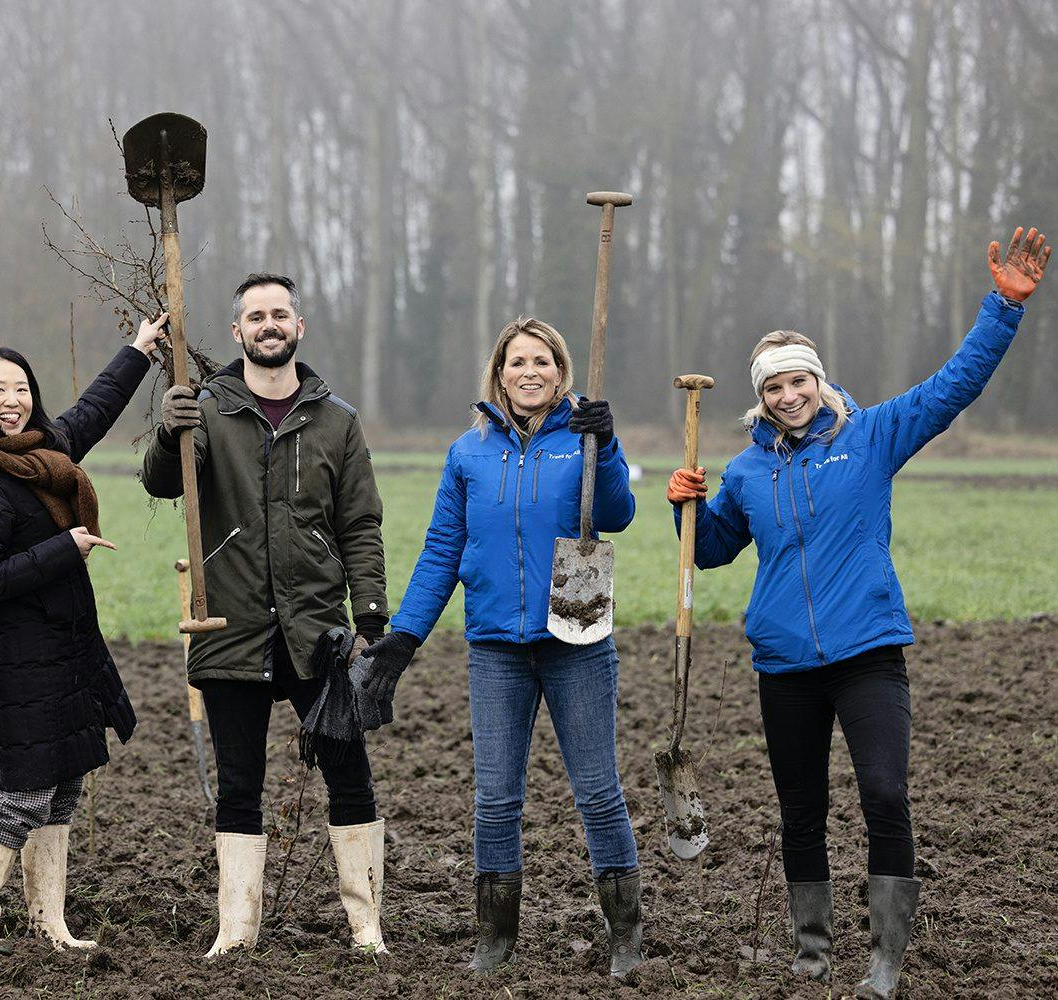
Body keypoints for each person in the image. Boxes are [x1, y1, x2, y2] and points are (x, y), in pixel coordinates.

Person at [665, 228, 1049, 1000]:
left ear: (818, 380)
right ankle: (811, 955)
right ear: (761, 398)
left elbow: (954, 385)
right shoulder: (744, 471)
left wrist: (1003, 308)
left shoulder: (871, 437)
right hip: (784, 667)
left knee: (884, 793)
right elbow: (707, 555)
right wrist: (684, 508)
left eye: (798, 380)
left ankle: (885, 957)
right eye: (773, 387)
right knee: (800, 811)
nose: (788, 395)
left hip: (868, 652)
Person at [355, 317, 643, 975]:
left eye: (542, 361)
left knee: (597, 790)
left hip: (577, 634)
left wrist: (610, 443)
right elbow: (441, 551)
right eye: (518, 362)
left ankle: (624, 936)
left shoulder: (585, 441)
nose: (530, 372)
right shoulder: (469, 453)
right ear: (500, 372)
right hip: (495, 649)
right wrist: (404, 637)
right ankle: (495, 938)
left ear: (561, 371)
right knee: (495, 797)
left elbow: (618, 515)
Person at [141, 273, 390, 956]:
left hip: (317, 631)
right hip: (230, 626)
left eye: (280, 313)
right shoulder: (206, 408)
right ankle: (237, 928)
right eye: (256, 316)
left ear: (299, 326)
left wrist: (370, 619)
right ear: (236, 332)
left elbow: (361, 524)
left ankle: (366, 926)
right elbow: (164, 483)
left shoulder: (335, 419)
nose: (269, 324)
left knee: (349, 773)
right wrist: (169, 432)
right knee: (240, 783)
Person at [0, 317, 164, 953]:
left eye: (21, 388)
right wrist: (64, 547)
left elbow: (91, 413)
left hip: (68, 648)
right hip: (20, 655)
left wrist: (138, 351)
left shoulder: (41, 453)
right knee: (26, 787)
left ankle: (49, 922)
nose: (13, 402)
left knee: (63, 783)